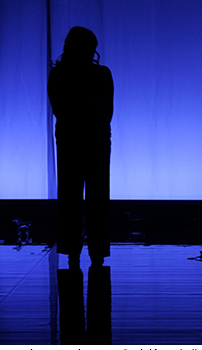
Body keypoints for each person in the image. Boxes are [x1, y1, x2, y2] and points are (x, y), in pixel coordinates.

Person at [48, 27, 114, 268]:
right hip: (96, 139)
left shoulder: (58, 74)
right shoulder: (102, 74)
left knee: (69, 195)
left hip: (70, 139)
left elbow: (60, 109)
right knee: (98, 195)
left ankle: (71, 250)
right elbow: (107, 111)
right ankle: (97, 251)